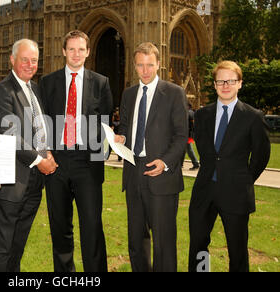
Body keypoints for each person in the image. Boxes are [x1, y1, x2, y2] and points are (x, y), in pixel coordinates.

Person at [40, 30, 113, 272]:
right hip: (57, 163)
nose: (76, 54)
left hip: (87, 164)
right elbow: (40, 124)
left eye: (81, 49)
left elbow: (104, 123)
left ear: (88, 52)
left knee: (92, 227)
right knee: (60, 228)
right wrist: (45, 154)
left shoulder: (101, 83)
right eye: (71, 49)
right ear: (63, 51)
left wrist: (106, 147)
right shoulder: (48, 82)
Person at [188, 60, 270, 272]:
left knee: (237, 250)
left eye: (231, 81)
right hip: (204, 191)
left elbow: (261, 156)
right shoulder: (202, 115)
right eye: (221, 81)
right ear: (214, 84)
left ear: (239, 84)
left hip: (236, 193)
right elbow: (204, 148)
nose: (226, 85)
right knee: (199, 247)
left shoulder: (253, 117)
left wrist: (243, 180)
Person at [0, 39, 58, 272]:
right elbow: (10, 132)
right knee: (1, 247)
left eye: (34, 60)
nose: (29, 64)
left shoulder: (35, 89)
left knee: (18, 245)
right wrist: (39, 160)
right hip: (12, 181)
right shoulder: (2, 90)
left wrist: (48, 153)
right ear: (12, 60)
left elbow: (39, 128)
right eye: (24, 59)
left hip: (35, 182)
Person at [115, 42, 188, 272]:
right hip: (134, 171)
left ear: (159, 64)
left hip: (162, 175)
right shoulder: (128, 94)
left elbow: (181, 136)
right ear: (134, 66)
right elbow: (126, 128)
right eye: (140, 65)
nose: (145, 70)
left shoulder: (175, 93)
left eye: (149, 65)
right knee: (136, 241)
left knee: (164, 243)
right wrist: (121, 139)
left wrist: (165, 162)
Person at [184, 103, 200, 170]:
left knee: (189, 149)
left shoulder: (189, 113)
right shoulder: (191, 112)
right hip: (189, 133)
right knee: (185, 149)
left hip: (188, 134)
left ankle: (195, 163)